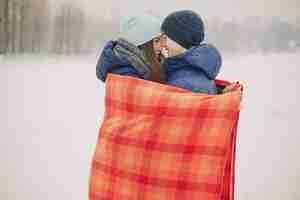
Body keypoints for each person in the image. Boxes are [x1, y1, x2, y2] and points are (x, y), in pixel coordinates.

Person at [161, 10, 222, 94]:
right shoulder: (189, 73)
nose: (162, 44)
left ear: (180, 38)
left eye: (165, 38)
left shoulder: (184, 85)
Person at [96, 13, 165, 83]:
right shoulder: (125, 75)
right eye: (156, 41)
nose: (162, 45)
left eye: (163, 40)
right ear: (141, 43)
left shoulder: (145, 69)